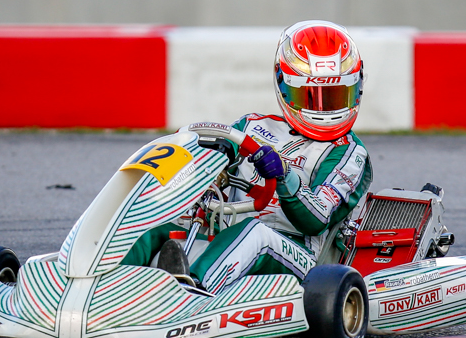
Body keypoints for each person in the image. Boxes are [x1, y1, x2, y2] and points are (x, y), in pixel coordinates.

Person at [128, 20, 373, 292]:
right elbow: (211, 162)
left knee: (253, 233)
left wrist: (285, 175)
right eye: (309, 96)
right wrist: (207, 171)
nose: (323, 109)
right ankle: (108, 284)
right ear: (284, 85)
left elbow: (315, 220)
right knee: (150, 222)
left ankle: (189, 293)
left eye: (335, 96)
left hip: (299, 257)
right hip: (224, 236)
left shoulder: (349, 153)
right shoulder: (251, 126)